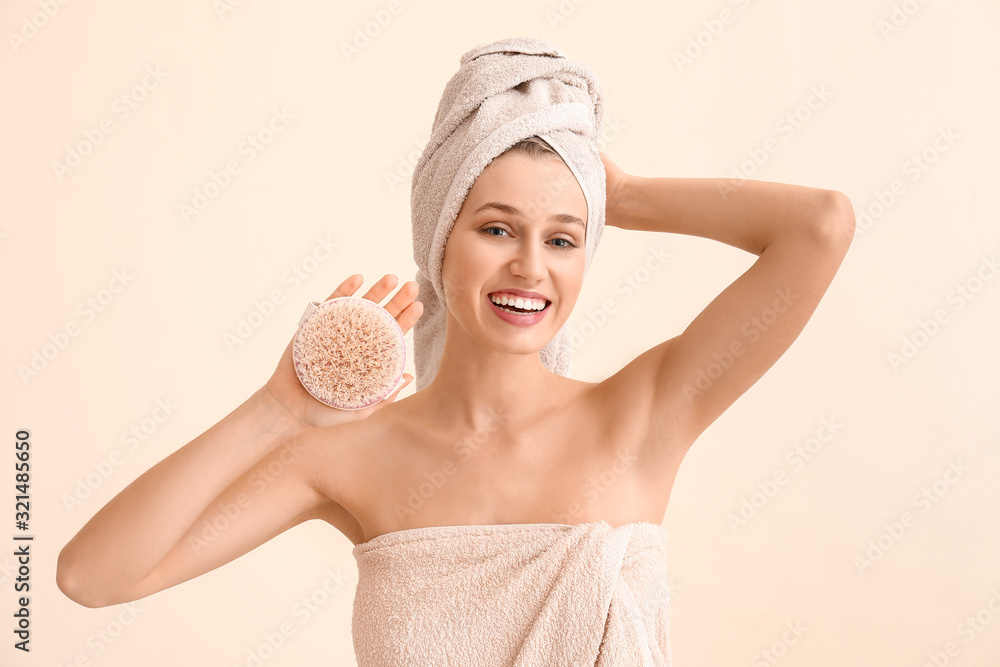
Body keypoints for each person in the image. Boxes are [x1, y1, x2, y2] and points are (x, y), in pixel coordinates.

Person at [57, 45, 855, 665]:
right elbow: (93, 575)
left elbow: (820, 226)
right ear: (440, 240)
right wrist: (277, 410)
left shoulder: (641, 418)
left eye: (564, 239)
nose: (531, 268)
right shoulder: (348, 456)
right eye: (497, 227)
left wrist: (617, 192)